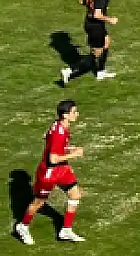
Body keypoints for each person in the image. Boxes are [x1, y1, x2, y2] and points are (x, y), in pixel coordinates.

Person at [16, 99, 87, 244]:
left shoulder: (58, 124)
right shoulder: (59, 133)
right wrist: (74, 154)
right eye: (74, 112)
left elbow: (46, 137)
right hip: (49, 173)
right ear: (65, 115)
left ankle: (66, 230)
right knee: (38, 203)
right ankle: (22, 226)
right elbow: (53, 159)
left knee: (75, 194)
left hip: (62, 169)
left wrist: (67, 148)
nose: (77, 114)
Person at [60, 0, 117, 86]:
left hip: (89, 23)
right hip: (96, 26)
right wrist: (110, 19)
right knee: (96, 53)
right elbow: (97, 14)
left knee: (106, 41)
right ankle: (69, 71)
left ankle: (101, 71)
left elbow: (81, 0)